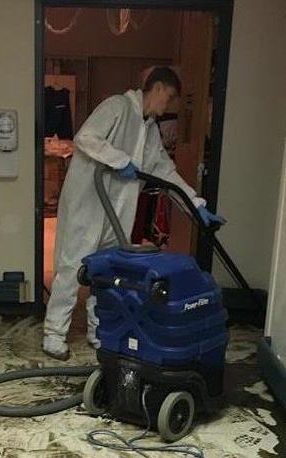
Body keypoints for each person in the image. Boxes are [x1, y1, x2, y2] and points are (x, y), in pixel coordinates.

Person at [43, 66, 225, 360]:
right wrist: (119, 160)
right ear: (156, 89)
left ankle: (99, 329)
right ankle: (54, 333)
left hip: (118, 211)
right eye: (168, 98)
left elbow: (164, 169)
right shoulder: (117, 106)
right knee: (72, 265)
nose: (167, 107)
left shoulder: (149, 128)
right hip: (88, 203)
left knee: (106, 272)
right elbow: (86, 137)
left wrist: (197, 204)